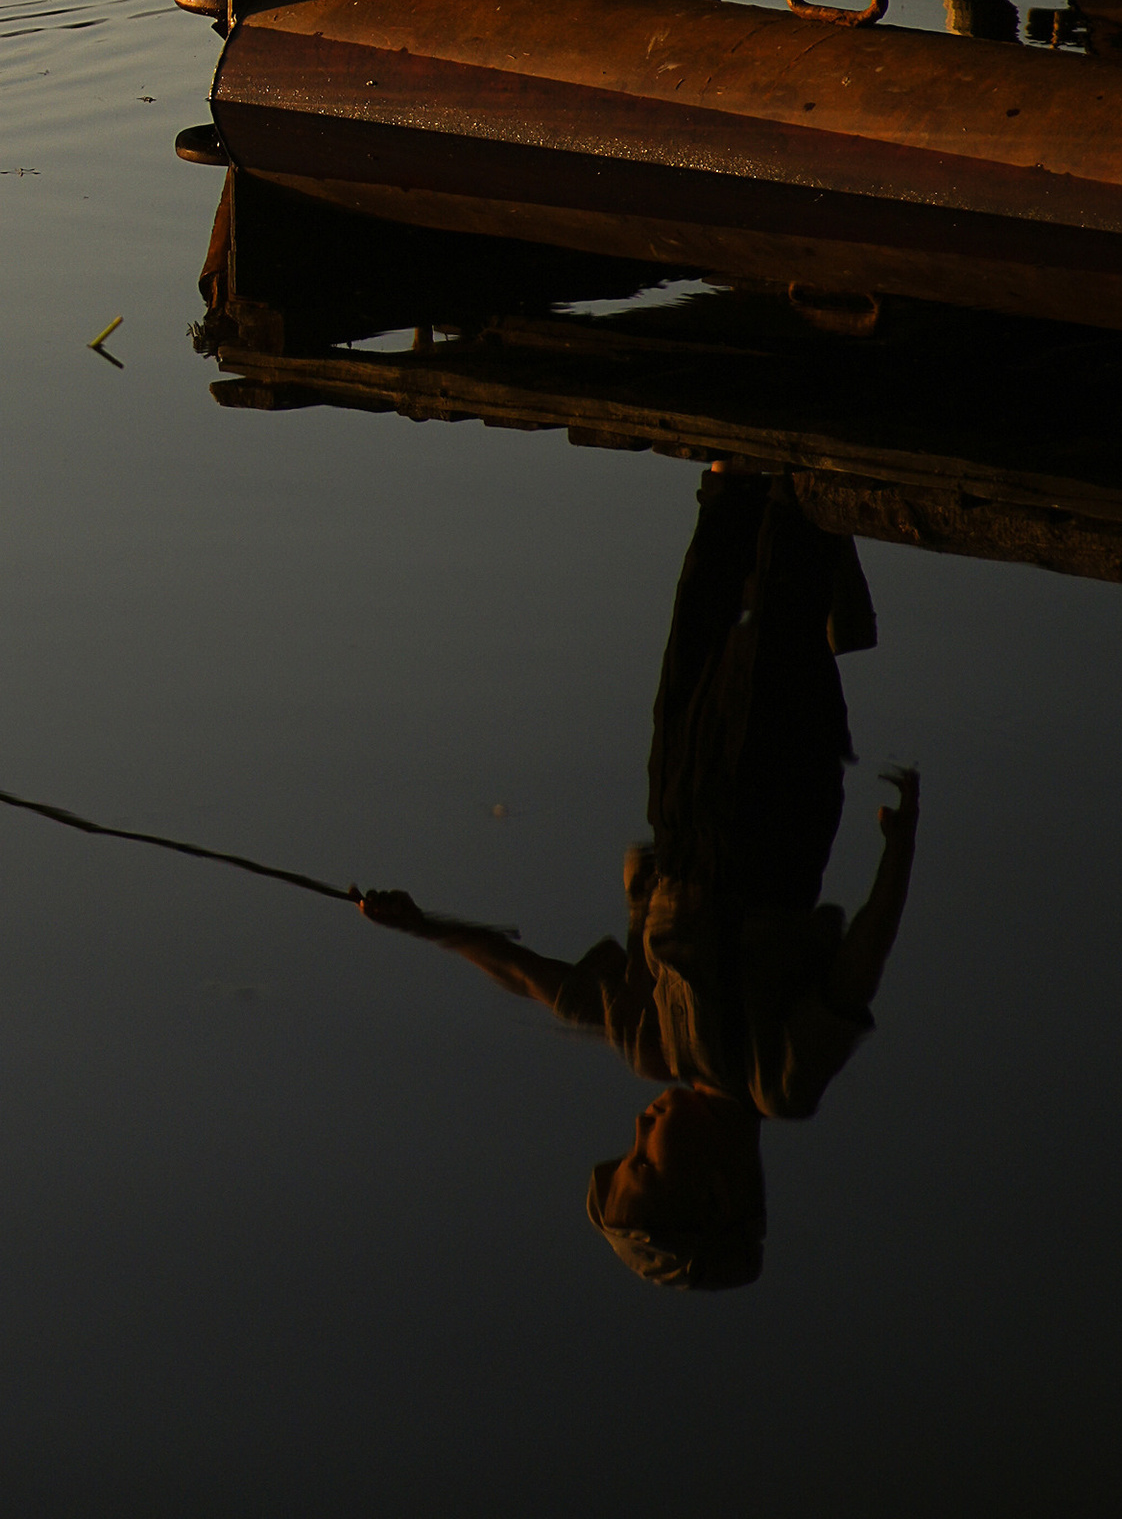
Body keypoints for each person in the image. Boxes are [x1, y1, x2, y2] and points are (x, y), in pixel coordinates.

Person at [360, 470, 920, 1294]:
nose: (637, 1132)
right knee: (777, 640)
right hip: (772, 832)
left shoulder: (652, 1046)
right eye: (645, 1162)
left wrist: (427, 926)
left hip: (681, 821)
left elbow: (540, 983)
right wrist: (898, 852)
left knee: (692, 642)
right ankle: (794, 488)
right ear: (720, 1188)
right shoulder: (778, 1083)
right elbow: (858, 965)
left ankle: (731, 488)